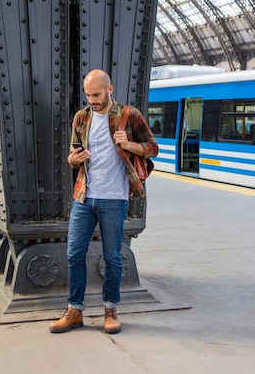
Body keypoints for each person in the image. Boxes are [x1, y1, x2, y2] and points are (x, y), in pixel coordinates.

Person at [49, 69, 158, 335]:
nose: (92, 100)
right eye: (88, 95)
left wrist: (130, 144)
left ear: (109, 90)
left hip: (114, 197)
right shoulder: (82, 117)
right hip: (84, 196)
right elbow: (71, 157)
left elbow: (153, 148)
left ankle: (111, 309)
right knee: (74, 254)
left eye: (96, 94)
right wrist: (74, 159)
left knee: (112, 257)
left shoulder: (128, 115)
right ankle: (74, 310)